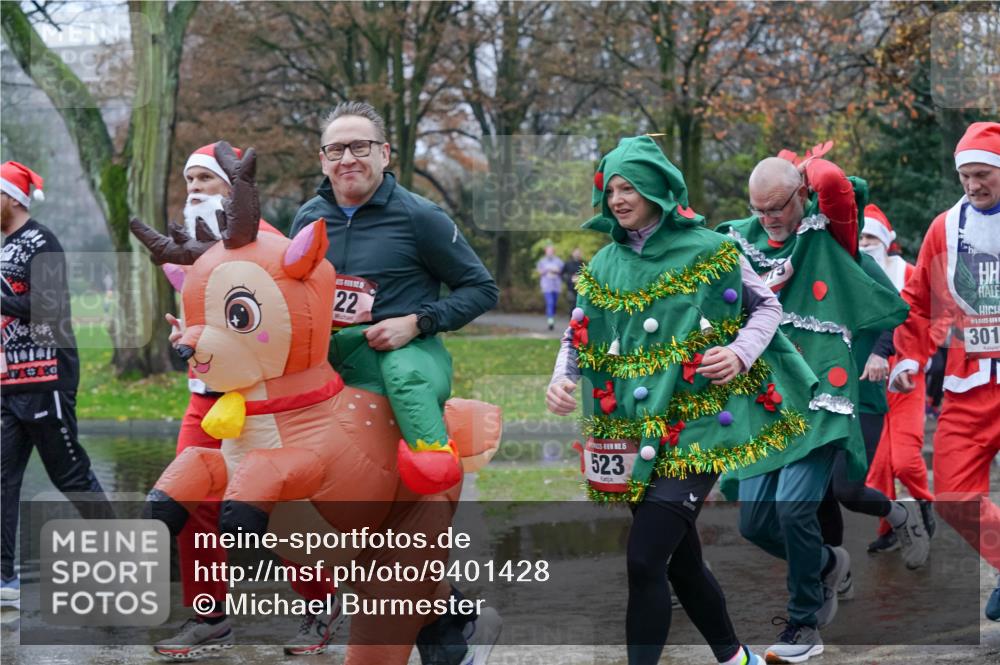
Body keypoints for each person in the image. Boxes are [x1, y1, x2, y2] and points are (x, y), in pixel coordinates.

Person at [546, 135, 797, 665]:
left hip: (698, 427)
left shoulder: (712, 249)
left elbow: (766, 307)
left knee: (644, 559)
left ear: (657, 188)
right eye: (611, 190)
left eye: (629, 187)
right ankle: (736, 658)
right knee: (679, 562)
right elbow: (578, 332)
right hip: (633, 429)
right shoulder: (604, 263)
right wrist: (561, 377)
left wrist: (739, 353)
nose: (617, 199)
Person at [290, 101, 501, 665]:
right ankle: (455, 621)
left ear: (385, 154)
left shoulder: (419, 217)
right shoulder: (308, 217)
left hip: (396, 387)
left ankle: (443, 635)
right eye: (336, 149)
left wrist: (417, 322)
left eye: (360, 147)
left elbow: (482, 289)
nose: (348, 158)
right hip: (332, 387)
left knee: (391, 537)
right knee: (355, 540)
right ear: (323, 159)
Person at [715, 147, 926, 663]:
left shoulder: (830, 234)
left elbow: (834, 182)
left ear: (801, 196)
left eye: (778, 207)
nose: (769, 219)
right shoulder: (738, 240)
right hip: (765, 399)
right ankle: (829, 563)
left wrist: (805, 170)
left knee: (795, 507)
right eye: (759, 209)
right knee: (755, 524)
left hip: (822, 396)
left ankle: (803, 624)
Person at [153, 143, 341, 659]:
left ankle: (322, 604)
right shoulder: (188, 249)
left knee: (279, 508)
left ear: (232, 185)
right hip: (206, 400)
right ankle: (209, 617)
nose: (194, 188)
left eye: (206, 179)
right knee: (194, 501)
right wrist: (184, 335)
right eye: (189, 180)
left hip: (267, 405)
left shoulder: (267, 241)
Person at [888, 121, 1000, 621]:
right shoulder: (945, 228)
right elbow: (920, 305)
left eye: (983, 174)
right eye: (965, 176)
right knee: (953, 496)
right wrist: (910, 359)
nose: (973, 185)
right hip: (968, 383)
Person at [1, 161, 113, 606]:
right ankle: (4, 581)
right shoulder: (7, 246)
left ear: (12, 198)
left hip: (47, 379)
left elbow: (47, 307)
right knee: (2, 480)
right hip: (8, 384)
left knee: (71, 476)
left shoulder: (41, 240)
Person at [860, 204, 937, 554]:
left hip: (906, 377)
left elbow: (933, 322)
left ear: (886, 240)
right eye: (861, 236)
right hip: (869, 381)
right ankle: (891, 527)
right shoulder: (854, 275)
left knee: (904, 461)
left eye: (871, 236)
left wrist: (913, 362)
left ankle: (924, 504)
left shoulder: (909, 274)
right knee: (877, 467)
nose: (865, 242)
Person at [536, 244, 564, 330]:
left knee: (554, 303)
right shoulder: (542, 261)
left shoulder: (558, 261)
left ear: (553, 252)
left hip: (556, 285)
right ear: (546, 252)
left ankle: (551, 316)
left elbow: (562, 271)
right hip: (546, 285)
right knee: (550, 302)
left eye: (551, 251)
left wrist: (556, 271)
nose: (550, 253)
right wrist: (547, 269)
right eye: (548, 251)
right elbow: (539, 272)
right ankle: (550, 321)